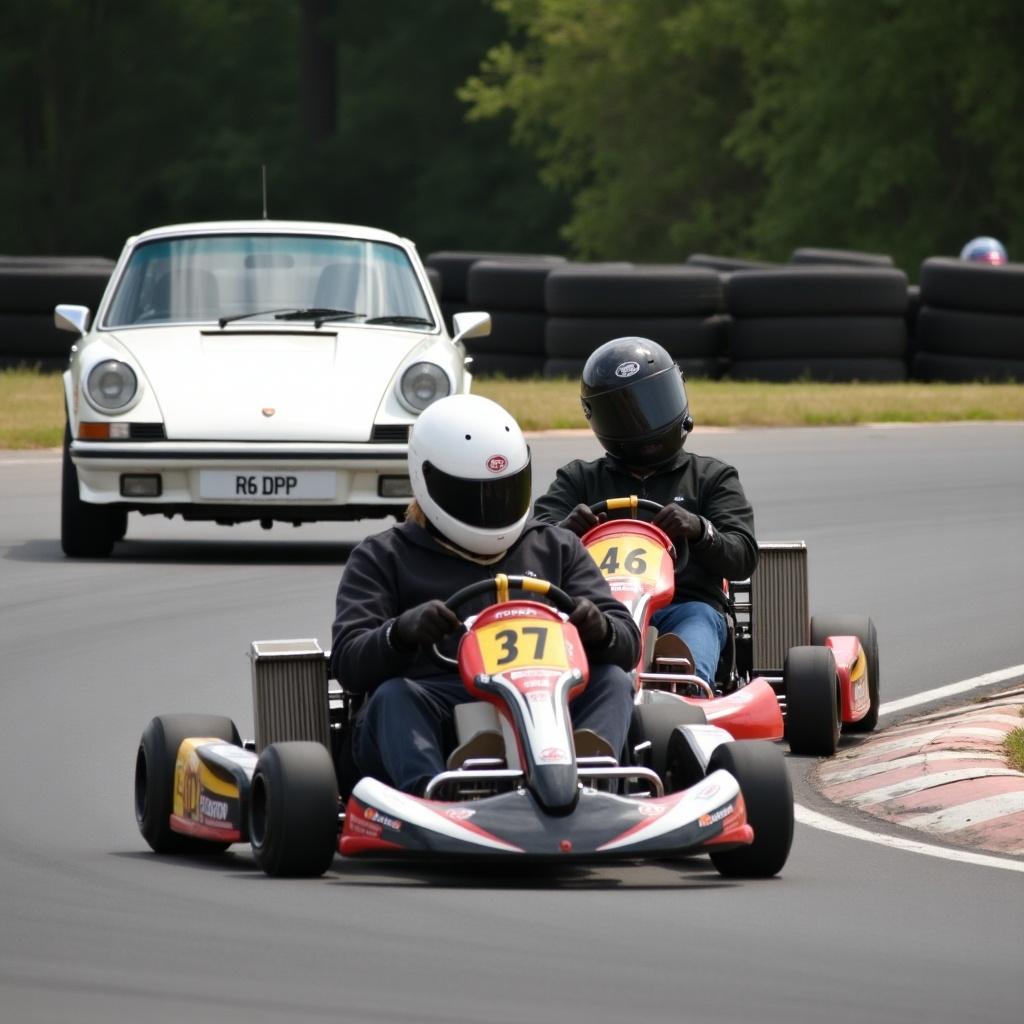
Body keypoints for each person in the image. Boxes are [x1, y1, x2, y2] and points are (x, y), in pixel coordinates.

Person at [330, 393, 639, 797]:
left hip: (547, 698)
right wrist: (401, 633)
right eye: (474, 495)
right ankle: (435, 795)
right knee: (393, 696)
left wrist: (600, 630)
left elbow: (627, 644)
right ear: (428, 481)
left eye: (503, 491)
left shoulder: (555, 547)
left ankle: (591, 778)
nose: (492, 507)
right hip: (439, 699)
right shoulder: (384, 556)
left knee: (612, 681)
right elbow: (349, 663)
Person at [533, 337, 757, 685]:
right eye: (629, 412)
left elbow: (742, 556)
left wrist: (699, 530)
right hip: (599, 613)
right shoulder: (579, 480)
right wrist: (564, 530)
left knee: (699, 618)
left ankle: (685, 689)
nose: (645, 422)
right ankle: (573, 691)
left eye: (655, 403)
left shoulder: (711, 477)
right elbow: (531, 551)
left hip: (684, 606)